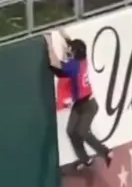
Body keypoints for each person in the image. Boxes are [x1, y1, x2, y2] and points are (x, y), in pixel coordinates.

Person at [45, 30, 112, 171]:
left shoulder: (74, 67)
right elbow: (72, 43)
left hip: (88, 105)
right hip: (80, 103)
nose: (68, 50)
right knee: (71, 131)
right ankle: (85, 159)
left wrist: (49, 42)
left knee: (82, 132)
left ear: (74, 52)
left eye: (70, 50)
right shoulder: (82, 59)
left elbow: (54, 62)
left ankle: (106, 152)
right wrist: (62, 32)